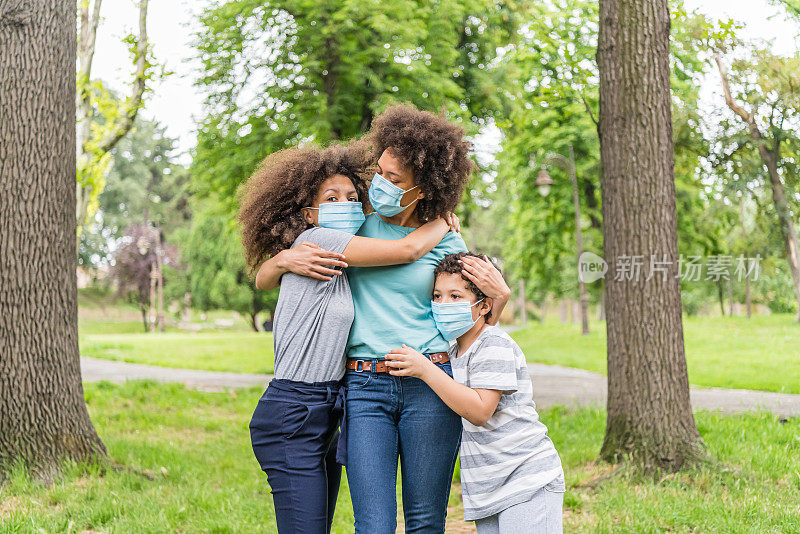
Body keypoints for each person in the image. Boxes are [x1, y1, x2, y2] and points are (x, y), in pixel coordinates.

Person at [260, 104, 511, 533]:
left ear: (423, 188)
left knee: (426, 520)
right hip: (364, 387)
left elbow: (474, 317)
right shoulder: (352, 228)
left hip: (429, 385)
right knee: (373, 525)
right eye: (379, 173)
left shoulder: (449, 240)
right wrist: (282, 258)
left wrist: (501, 298)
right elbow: (270, 276)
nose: (380, 185)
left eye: (394, 180)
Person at [239, 143, 460, 534]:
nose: (351, 201)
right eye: (331, 197)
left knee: (419, 522)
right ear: (308, 212)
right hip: (315, 401)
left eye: (352, 197)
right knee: (364, 526)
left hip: (343, 403)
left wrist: (277, 263)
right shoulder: (322, 241)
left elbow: (466, 301)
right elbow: (407, 250)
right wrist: (443, 221)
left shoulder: (349, 246)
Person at [385, 252, 565, 534]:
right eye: (437, 296)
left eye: (456, 296)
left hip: (525, 478)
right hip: (489, 488)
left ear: (483, 306)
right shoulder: (454, 351)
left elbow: (481, 410)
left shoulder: (493, 344)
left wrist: (424, 370)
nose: (443, 304)